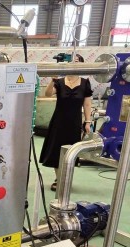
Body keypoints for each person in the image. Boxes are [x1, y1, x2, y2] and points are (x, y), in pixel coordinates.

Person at [39, 54, 93, 191]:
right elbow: (47, 94)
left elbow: (87, 104)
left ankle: (66, 179)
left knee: (71, 151)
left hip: (74, 123)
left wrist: (88, 122)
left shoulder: (85, 83)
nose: (73, 63)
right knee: (56, 150)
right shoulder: (59, 82)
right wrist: (52, 80)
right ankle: (59, 179)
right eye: (71, 61)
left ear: (81, 65)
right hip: (58, 122)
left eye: (77, 61)